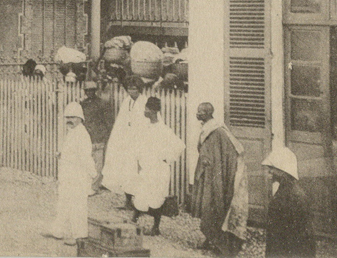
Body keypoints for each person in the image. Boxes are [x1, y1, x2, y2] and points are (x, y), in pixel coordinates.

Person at [189, 102, 249, 256]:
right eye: (198, 111)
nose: (198, 114)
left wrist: (216, 167)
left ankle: (218, 243)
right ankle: (210, 239)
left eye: (201, 112)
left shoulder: (217, 131)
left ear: (209, 113)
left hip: (215, 176)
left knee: (213, 207)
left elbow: (230, 152)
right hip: (207, 174)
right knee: (206, 207)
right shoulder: (206, 128)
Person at [131, 97, 184, 236]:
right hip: (147, 167)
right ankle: (134, 221)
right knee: (140, 193)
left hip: (158, 169)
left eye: (147, 109)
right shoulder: (146, 127)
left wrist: (167, 158)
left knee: (156, 197)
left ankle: (156, 227)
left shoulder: (163, 129)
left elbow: (179, 146)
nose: (145, 111)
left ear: (153, 111)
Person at [47, 101, 97, 246]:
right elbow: (71, 152)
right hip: (68, 175)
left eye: (73, 117)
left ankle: (79, 236)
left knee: (77, 205)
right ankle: (58, 231)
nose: (70, 120)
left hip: (78, 176)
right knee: (63, 202)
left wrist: (93, 174)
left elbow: (85, 157)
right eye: (67, 117)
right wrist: (62, 154)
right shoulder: (72, 133)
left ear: (80, 118)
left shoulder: (82, 134)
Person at [102, 75, 148, 208]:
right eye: (129, 88)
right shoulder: (127, 101)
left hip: (138, 141)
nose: (131, 91)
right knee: (125, 170)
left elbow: (145, 124)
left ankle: (140, 203)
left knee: (137, 171)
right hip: (126, 141)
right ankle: (128, 201)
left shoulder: (144, 102)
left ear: (139, 89)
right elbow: (121, 121)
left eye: (134, 89)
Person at [262, 147, 315, 258]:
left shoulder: (287, 197)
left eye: (272, 168)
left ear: (283, 170)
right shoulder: (292, 193)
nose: (269, 171)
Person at [80, 80, 114, 193]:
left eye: (91, 90)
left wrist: (105, 135)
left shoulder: (102, 103)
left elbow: (108, 122)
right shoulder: (83, 104)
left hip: (98, 136)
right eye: (87, 90)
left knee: (98, 163)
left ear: (95, 91)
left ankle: (94, 186)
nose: (89, 92)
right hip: (86, 136)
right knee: (87, 161)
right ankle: (88, 184)